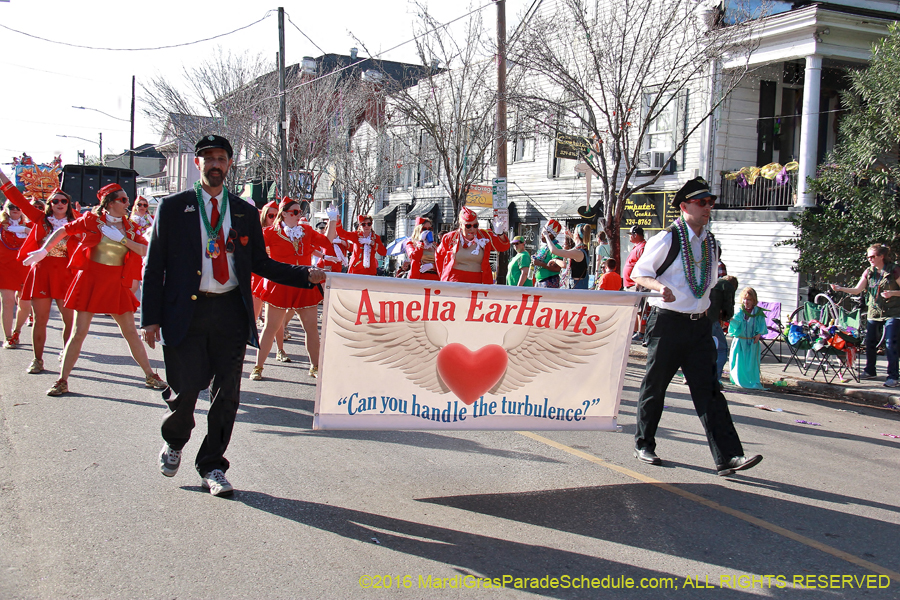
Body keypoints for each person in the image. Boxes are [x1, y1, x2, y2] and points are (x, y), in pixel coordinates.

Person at [141, 135, 326, 497]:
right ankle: (175, 440)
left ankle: (212, 465)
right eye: (208, 158)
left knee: (227, 395)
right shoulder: (174, 207)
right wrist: (150, 317)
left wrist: (305, 274)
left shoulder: (242, 211)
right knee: (185, 390)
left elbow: (260, 263)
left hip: (229, 311)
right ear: (198, 163)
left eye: (221, 158)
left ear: (229, 164)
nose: (215, 164)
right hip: (185, 311)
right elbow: (154, 266)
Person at [631, 177, 762, 477]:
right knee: (655, 386)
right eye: (701, 202)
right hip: (668, 323)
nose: (707, 207)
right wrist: (659, 288)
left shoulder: (711, 243)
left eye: (710, 202)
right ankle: (644, 444)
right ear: (684, 206)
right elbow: (640, 273)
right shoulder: (667, 238)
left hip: (699, 325)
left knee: (710, 391)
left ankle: (728, 457)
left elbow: (709, 283)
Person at [23, 183, 167, 396]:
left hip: (116, 283)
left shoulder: (129, 227)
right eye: (123, 200)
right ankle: (62, 380)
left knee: (130, 332)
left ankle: (150, 375)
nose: (128, 203)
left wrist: (123, 240)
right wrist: (44, 251)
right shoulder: (91, 220)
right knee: (78, 333)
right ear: (109, 203)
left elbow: (146, 250)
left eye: (127, 200)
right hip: (90, 281)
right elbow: (63, 230)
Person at [250, 197, 335, 380]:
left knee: (311, 328)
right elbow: (254, 251)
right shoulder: (270, 232)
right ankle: (258, 367)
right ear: (284, 214)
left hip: (304, 284)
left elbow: (327, 242)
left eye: (300, 212)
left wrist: (333, 220)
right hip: (280, 284)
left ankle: (315, 366)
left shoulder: (306, 230)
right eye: (295, 212)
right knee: (270, 327)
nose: (298, 215)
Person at [5, 178, 80, 374]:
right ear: (50, 204)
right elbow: (18, 200)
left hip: (66, 275)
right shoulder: (40, 219)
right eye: (55, 201)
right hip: (41, 272)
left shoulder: (76, 223)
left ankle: (66, 355)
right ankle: (37, 360)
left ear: (68, 204)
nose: (60, 204)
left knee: (70, 320)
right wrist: (3, 177)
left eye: (63, 201)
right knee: (40, 319)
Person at [830, 243, 900, 387]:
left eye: (873, 256)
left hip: (893, 312)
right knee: (869, 342)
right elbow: (857, 290)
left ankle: (893, 377)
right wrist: (840, 288)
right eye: (868, 257)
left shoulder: (894, 270)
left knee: (890, 344)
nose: (870, 259)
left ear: (882, 256)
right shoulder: (869, 271)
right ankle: (870, 371)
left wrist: (893, 293)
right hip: (874, 312)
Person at [435, 206, 509, 283]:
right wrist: (443, 278)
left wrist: (500, 234)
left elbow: (503, 247)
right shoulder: (449, 237)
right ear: (461, 225)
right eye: (468, 226)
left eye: (475, 225)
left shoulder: (485, 236)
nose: (472, 229)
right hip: (454, 281)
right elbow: (439, 257)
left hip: (478, 282)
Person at [0, 193, 33, 348]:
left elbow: (41, 239)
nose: (15, 209)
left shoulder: (29, 226)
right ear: (6, 209)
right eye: (11, 206)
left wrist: (25, 230)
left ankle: (17, 331)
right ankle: (8, 337)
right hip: (5, 267)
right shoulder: (1, 226)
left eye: (18, 207)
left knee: (25, 304)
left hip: (24, 268)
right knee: (7, 302)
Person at [728, 286, 767, 389]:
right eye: (745, 299)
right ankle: (739, 379)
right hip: (740, 341)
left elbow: (762, 325)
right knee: (739, 362)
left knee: (751, 364)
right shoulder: (740, 311)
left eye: (749, 299)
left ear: (753, 300)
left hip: (752, 342)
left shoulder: (758, 312)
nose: (746, 302)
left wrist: (759, 335)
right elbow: (736, 325)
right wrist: (730, 319)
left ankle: (751, 380)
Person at [707, 275, 739, 381]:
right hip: (712, 320)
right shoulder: (728, 287)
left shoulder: (711, 282)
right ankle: (715, 379)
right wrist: (725, 317)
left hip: (698, 318)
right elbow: (728, 309)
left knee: (699, 348)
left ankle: (690, 376)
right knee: (721, 349)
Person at [624, 225, 647, 341]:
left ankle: (641, 332)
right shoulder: (637, 246)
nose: (629, 237)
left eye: (631, 235)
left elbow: (642, 266)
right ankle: (634, 330)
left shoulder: (642, 247)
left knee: (640, 309)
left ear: (635, 235)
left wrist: (639, 281)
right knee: (635, 309)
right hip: (630, 284)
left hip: (636, 284)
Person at [531, 220, 566, 288]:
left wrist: (540, 263)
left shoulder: (556, 247)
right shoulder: (543, 248)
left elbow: (557, 268)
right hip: (539, 281)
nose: (541, 235)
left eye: (543, 234)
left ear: (550, 235)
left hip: (549, 281)